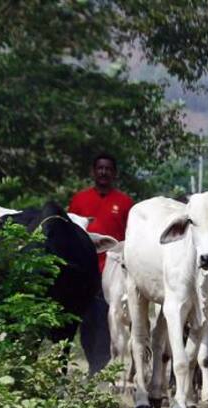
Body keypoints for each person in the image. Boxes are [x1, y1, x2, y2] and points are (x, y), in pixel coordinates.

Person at [69, 153, 134, 374]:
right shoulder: (79, 200)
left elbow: (131, 237)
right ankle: (94, 364)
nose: (103, 172)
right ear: (93, 172)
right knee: (88, 321)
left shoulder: (125, 203)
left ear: (114, 173)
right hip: (87, 271)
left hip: (115, 272)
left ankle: (107, 363)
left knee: (113, 318)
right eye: (100, 168)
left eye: (108, 169)